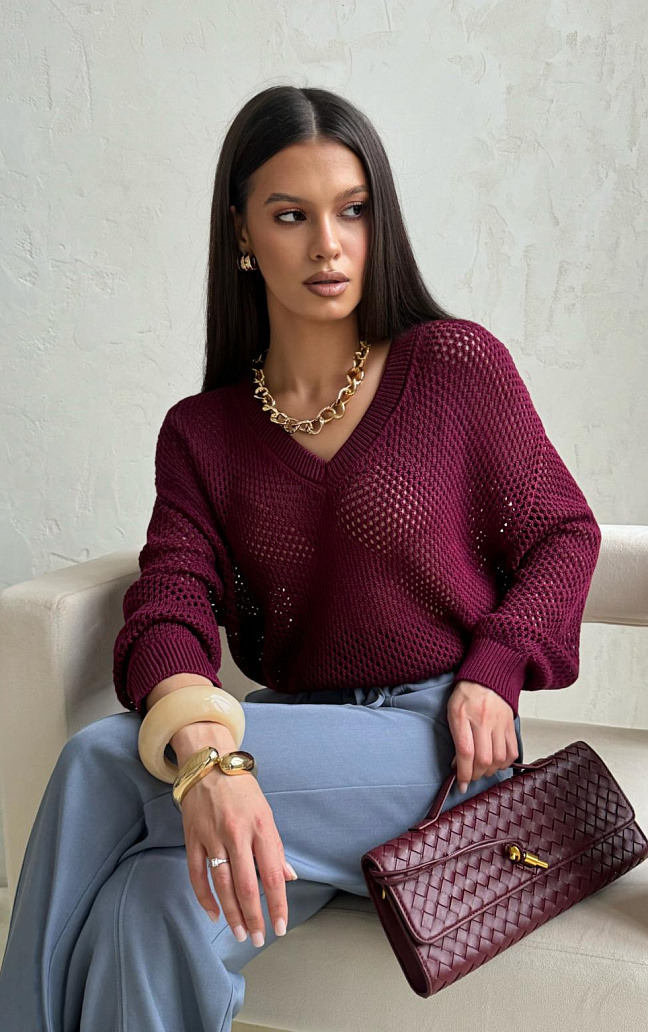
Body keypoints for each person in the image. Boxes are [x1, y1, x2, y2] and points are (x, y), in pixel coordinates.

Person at [0, 85, 601, 1031]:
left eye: (352, 210)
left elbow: (564, 533)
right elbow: (168, 606)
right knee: (144, 907)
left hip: (435, 746)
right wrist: (215, 761)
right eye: (291, 216)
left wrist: (497, 668)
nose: (329, 244)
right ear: (242, 232)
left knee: (102, 762)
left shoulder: (454, 367)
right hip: (292, 743)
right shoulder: (203, 434)